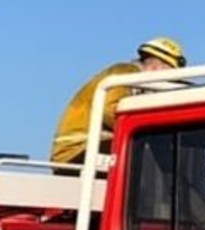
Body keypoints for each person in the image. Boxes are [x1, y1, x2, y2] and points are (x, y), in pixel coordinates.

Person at [49, 37, 187, 166]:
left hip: (88, 148)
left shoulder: (138, 82)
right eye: (170, 76)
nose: (169, 82)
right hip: (76, 149)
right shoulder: (124, 73)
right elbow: (111, 111)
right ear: (156, 67)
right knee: (147, 150)